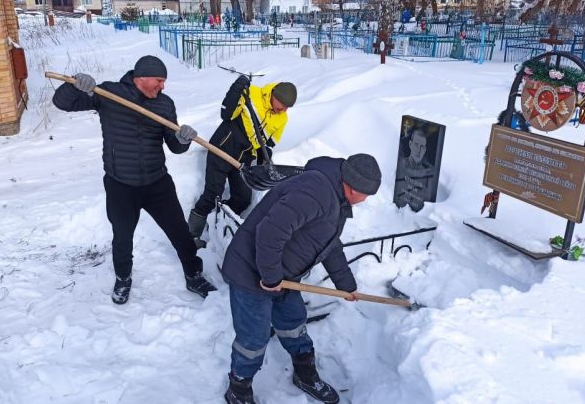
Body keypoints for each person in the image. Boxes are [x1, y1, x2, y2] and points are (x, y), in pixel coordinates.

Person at [51, 55, 217, 304]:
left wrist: (182, 138)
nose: (163, 86)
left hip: (157, 182)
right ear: (141, 78)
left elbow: (174, 146)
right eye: (159, 80)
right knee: (122, 236)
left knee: (180, 232)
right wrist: (74, 84)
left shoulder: (164, 105)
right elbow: (62, 103)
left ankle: (194, 274)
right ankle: (123, 279)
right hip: (121, 184)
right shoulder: (108, 94)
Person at [220, 153, 382, 404]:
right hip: (251, 272)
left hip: (281, 275)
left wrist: (346, 285)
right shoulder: (314, 192)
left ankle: (305, 374)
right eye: (366, 194)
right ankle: (238, 389)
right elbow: (270, 232)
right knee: (253, 338)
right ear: (352, 187)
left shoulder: (335, 197)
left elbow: (329, 243)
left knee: (293, 322)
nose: (366, 199)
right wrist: (271, 278)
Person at [187, 76, 297, 248]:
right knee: (212, 194)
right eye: (281, 105)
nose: (282, 110)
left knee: (243, 198)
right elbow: (226, 114)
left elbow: (268, 143)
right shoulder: (251, 95)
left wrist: (264, 161)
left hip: (243, 160)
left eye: (286, 108)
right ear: (274, 95)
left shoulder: (282, 118)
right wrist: (235, 89)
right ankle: (191, 237)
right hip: (222, 149)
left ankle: (216, 224)